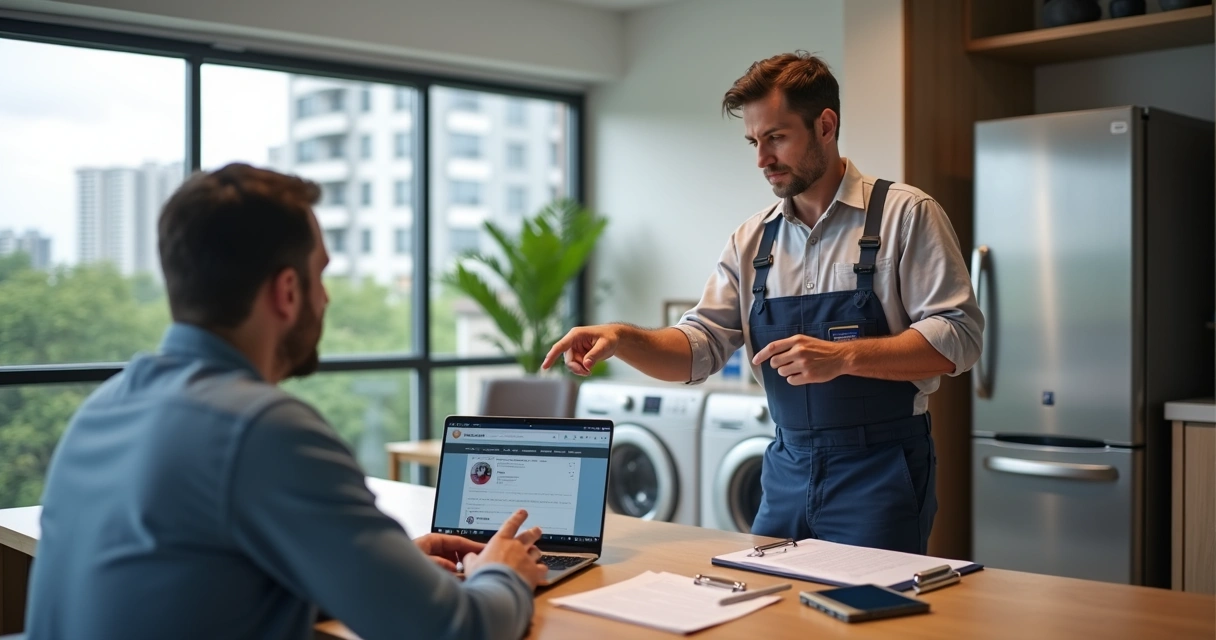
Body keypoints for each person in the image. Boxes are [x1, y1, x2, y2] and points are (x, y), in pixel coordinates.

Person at [25, 164, 547, 640]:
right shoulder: (261, 428)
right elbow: (453, 632)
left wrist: (379, 574)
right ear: (288, 291)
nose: (327, 298)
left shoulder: (104, 407)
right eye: (321, 274)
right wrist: (504, 573)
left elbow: (194, 584)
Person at [543, 52, 983, 554]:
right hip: (786, 469)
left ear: (826, 125)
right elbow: (698, 346)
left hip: (879, 471)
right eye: (754, 142)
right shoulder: (752, 240)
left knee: (866, 622)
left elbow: (959, 338)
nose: (762, 159)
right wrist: (622, 338)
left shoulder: (906, 214)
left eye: (776, 137)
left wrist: (844, 357)